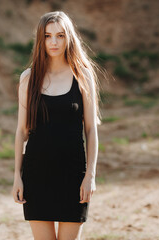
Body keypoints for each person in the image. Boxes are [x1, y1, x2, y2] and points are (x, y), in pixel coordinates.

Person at [12, 11, 106, 240]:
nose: (54, 42)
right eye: (48, 36)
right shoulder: (28, 78)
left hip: (73, 174)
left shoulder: (83, 75)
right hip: (37, 173)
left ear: (69, 38)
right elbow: (22, 131)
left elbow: (91, 129)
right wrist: (17, 174)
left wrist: (90, 175)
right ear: (40, 39)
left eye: (60, 35)